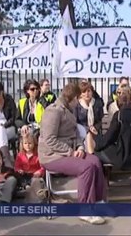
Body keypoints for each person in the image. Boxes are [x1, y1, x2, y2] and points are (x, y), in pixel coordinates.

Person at [38, 83, 106, 225]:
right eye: (78, 97)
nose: (79, 101)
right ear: (74, 98)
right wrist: (70, 152)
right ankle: (85, 210)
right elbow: (50, 140)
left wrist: (81, 148)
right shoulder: (53, 111)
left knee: (94, 161)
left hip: (69, 151)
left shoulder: (67, 110)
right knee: (86, 167)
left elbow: (75, 134)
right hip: (52, 156)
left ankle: (98, 202)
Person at [86, 86, 131, 171]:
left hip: (125, 161)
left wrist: (96, 140)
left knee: (99, 150)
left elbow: (109, 138)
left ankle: (99, 175)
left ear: (119, 104)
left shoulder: (119, 115)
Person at [14, 133, 46, 202]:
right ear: (22, 144)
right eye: (25, 143)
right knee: (17, 177)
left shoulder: (37, 154)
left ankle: (36, 197)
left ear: (34, 143)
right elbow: (17, 166)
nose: (27, 145)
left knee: (36, 181)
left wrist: (39, 172)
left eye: (30, 143)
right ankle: (25, 187)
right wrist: (19, 170)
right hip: (24, 176)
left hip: (35, 175)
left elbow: (43, 167)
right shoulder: (20, 155)